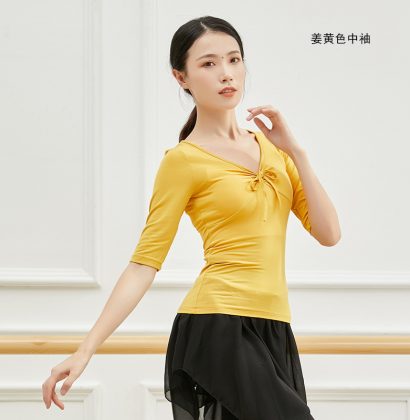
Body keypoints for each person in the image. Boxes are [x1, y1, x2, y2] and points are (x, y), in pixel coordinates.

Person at [42, 15, 341, 419]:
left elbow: (329, 233)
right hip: (219, 324)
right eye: (208, 63)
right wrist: (85, 350)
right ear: (181, 77)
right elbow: (144, 263)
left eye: (234, 59)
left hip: (274, 326)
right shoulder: (183, 161)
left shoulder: (275, 151)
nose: (226, 73)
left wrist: (297, 152)